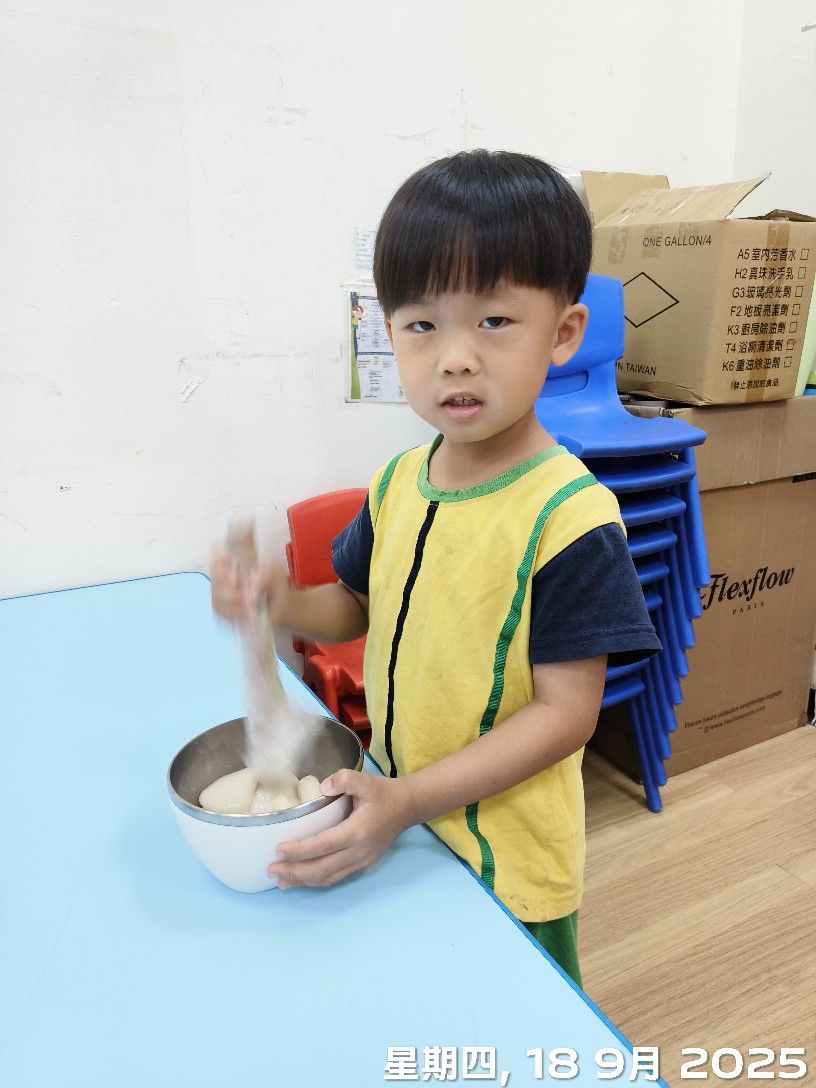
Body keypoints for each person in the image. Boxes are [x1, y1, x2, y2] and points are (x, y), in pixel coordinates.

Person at [211, 149, 660, 987]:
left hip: (505, 857)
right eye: (423, 325)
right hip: (401, 814)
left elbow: (566, 715)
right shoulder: (397, 483)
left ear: (563, 334)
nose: (455, 357)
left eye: (494, 321)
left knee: (513, 1016)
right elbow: (354, 606)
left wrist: (409, 801)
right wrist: (279, 602)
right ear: (389, 335)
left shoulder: (570, 517)